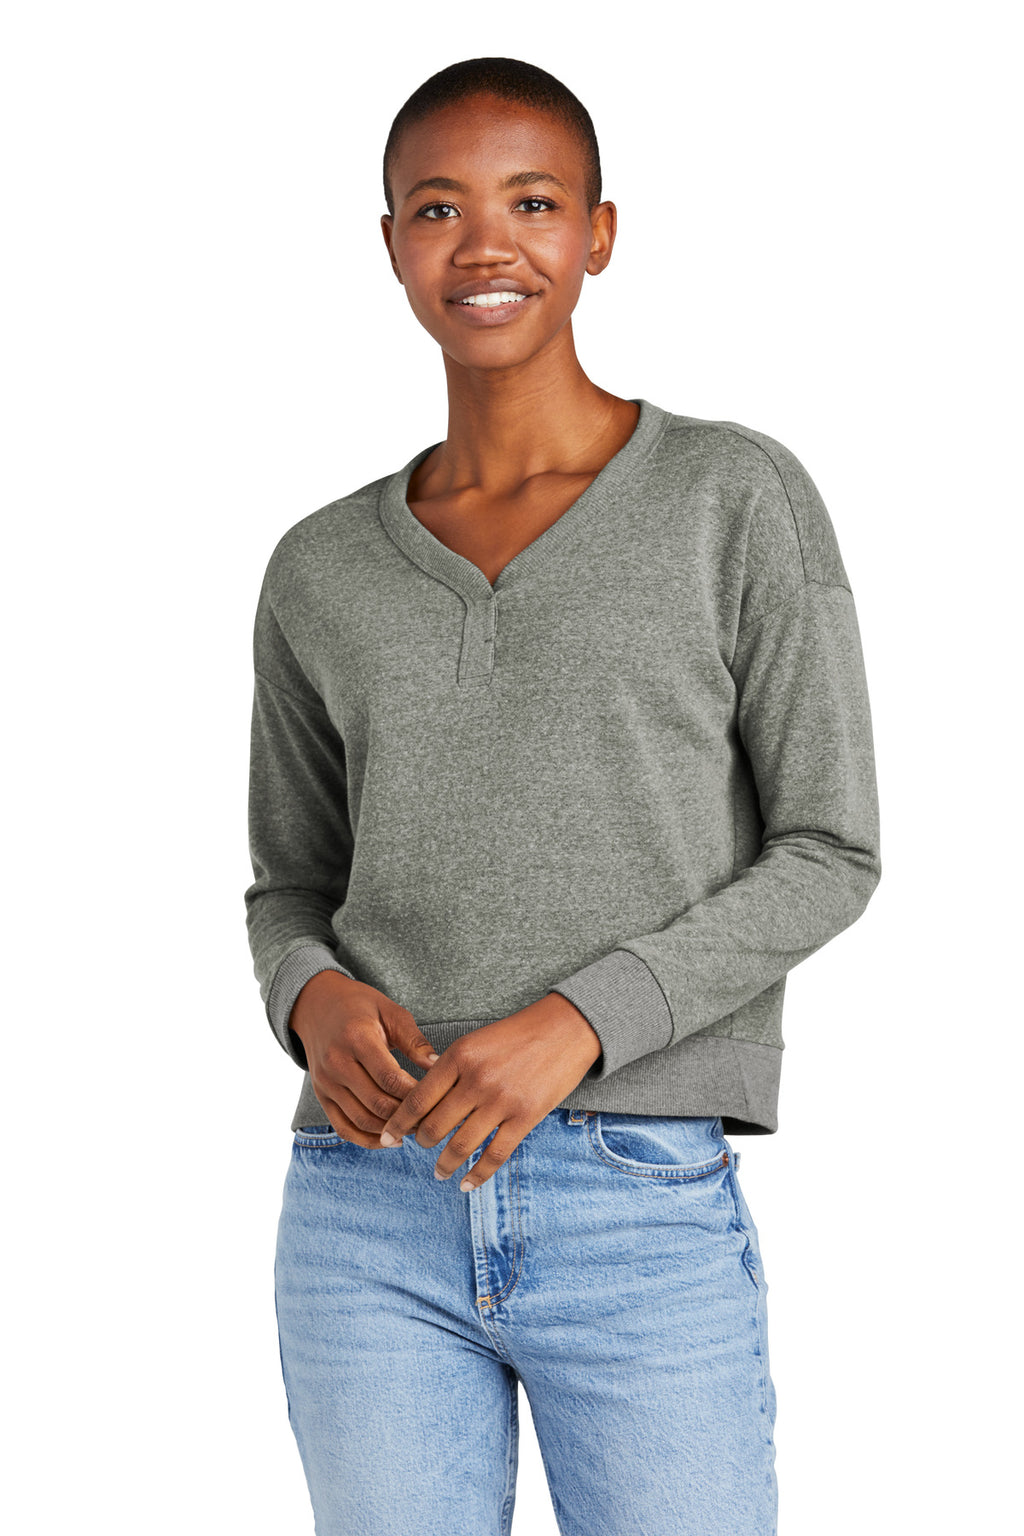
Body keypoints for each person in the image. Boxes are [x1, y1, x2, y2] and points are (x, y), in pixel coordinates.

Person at [244, 56, 881, 1536]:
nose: (486, 244)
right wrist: (307, 997)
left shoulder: (734, 499)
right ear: (391, 242)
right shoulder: (319, 567)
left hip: (635, 1198)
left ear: (599, 233)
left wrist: (583, 1021)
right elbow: (290, 883)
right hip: (365, 1199)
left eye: (532, 203)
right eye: (438, 208)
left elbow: (830, 848)